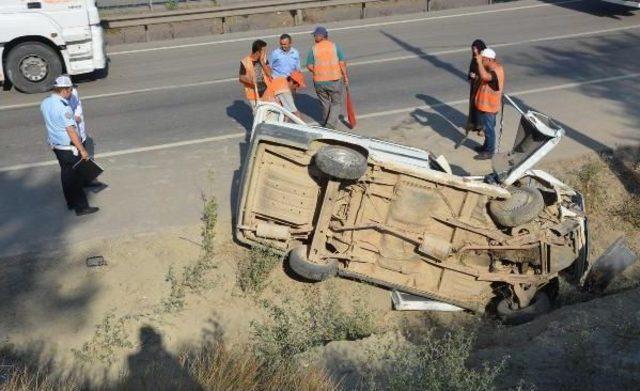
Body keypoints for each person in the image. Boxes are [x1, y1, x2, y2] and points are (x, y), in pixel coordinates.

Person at [40, 76, 99, 216]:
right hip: (68, 148)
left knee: (66, 174)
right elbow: (71, 131)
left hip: (56, 146)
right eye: (70, 89)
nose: (71, 92)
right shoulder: (64, 107)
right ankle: (81, 207)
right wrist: (82, 150)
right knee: (76, 177)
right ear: (64, 90)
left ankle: (70, 202)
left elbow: (50, 124)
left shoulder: (45, 103)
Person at [306, 26, 349, 129]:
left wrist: (318, 71)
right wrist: (345, 77)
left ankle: (326, 122)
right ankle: (330, 124)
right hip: (334, 80)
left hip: (319, 82)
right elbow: (342, 63)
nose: (314, 37)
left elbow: (309, 66)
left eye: (315, 35)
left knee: (325, 103)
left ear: (321, 36)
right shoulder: (335, 47)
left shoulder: (314, 49)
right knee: (336, 103)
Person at [68, 84, 105, 187]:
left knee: (83, 156)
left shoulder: (74, 94)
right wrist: (73, 117)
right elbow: (64, 113)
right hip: (73, 134)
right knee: (79, 157)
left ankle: (87, 179)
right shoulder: (62, 100)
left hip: (80, 132)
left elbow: (77, 107)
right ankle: (81, 181)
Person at [473, 48, 505, 160]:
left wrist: (478, 63)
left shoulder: (496, 72)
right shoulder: (492, 67)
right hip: (486, 106)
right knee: (487, 129)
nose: (481, 61)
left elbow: (485, 77)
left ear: (489, 59)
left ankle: (489, 152)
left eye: (483, 59)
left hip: (490, 107)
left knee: (489, 129)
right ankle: (486, 147)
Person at [269, 33, 302, 118]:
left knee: (291, 104)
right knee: (284, 106)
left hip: (291, 81)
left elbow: (298, 69)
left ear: (290, 43)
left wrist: (296, 82)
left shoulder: (295, 52)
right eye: (281, 44)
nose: (283, 46)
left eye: (285, 44)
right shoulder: (275, 53)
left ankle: (287, 121)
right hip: (280, 83)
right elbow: (269, 68)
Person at [239, 39, 274, 112]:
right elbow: (241, 77)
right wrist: (250, 80)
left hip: (267, 92)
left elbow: (270, 74)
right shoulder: (245, 61)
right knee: (258, 116)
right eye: (264, 51)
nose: (265, 53)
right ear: (258, 52)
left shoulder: (263, 60)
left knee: (270, 115)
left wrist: (262, 62)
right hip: (253, 94)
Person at [466, 39, 487, 135]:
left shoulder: (485, 59)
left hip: (482, 87)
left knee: (480, 107)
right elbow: (472, 68)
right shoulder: (474, 57)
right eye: (473, 48)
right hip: (474, 86)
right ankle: (474, 124)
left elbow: (486, 74)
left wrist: (477, 77)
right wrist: (471, 75)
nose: (473, 50)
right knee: (473, 105)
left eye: (475, 48)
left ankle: (481, 127)